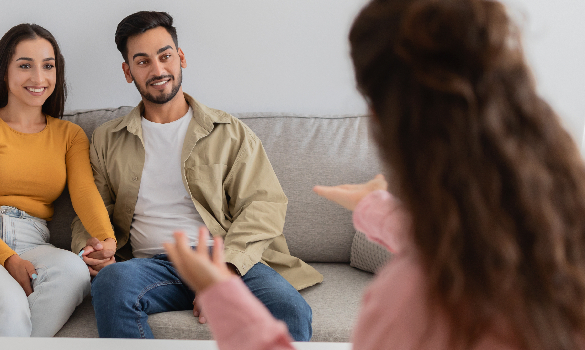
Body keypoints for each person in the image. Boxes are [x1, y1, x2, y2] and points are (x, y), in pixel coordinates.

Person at [164, 0, 585, 349]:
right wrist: (374, 208)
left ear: (387, 118)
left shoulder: (408, 303)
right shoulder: (562, 229)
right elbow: (464, 241)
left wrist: (222, 295)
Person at [70, 11, 322, 340]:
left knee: (290, 311)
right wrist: (92, 252)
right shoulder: (107, 139)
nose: (157, 70)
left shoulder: (229, 132)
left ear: (181, 58)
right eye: (143, 61)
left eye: (165, 56)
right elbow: (91, 209)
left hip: (225, 259)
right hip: (151, 266)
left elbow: (264, 205)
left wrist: (225, 272)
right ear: (128, 71)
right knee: (111, 283)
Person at [0, 23, 116, 337]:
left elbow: (84, 193)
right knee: (7, 302)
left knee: (74, 270)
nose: (39, 78)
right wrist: (8, 259)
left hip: (33, 241)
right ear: (4, 72)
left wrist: (107, 241)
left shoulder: (69, 135)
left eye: (48, 66)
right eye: (25, 65)